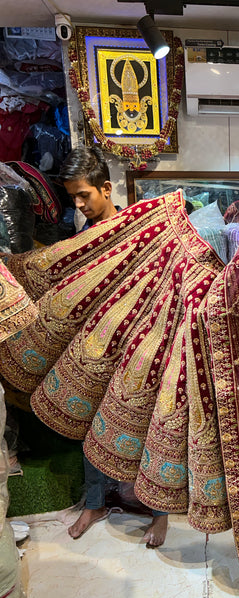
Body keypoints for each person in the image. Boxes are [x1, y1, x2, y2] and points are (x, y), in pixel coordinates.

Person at [58, 145, 169, 547]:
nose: (79, 203)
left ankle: (160, 512)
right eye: (73, 196)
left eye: (83, 194)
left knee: (146, 428)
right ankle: (95, 502)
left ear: (106, 188)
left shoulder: (139, 234)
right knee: (91, 425)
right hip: (94, 350)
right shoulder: (81, 240)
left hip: (138, 348)